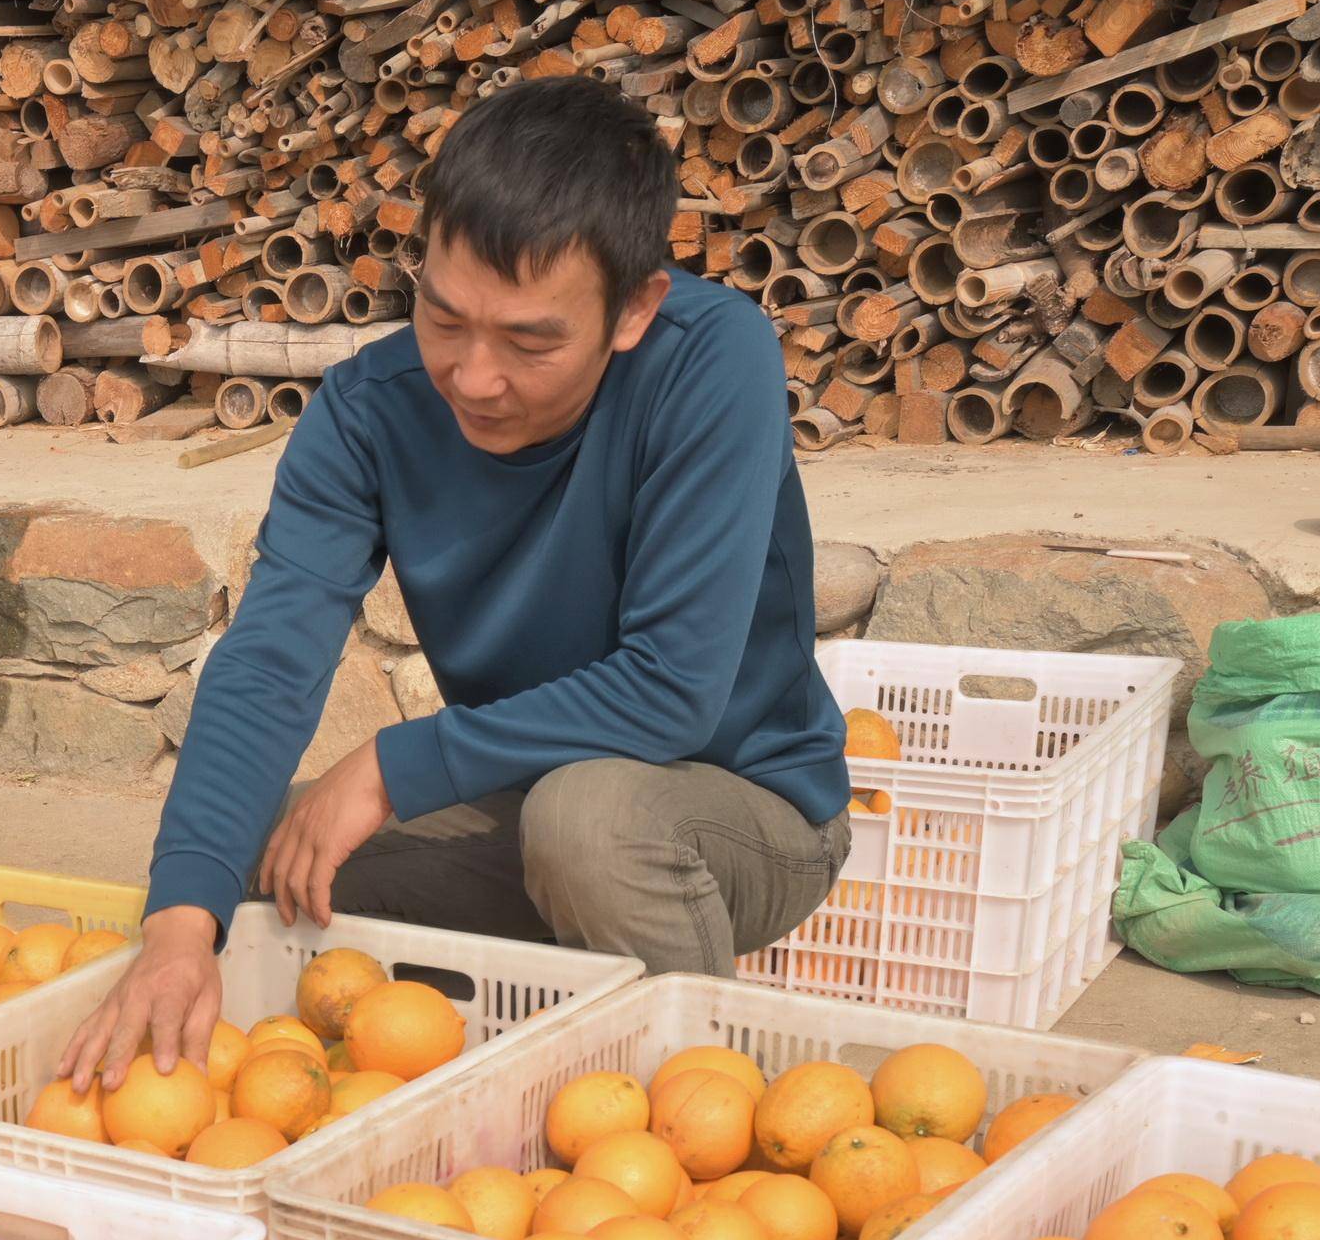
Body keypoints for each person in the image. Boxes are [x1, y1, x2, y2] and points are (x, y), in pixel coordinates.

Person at [62, 73, 854, 1084]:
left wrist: (396, 765)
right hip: (519, 799)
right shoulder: (364, 414)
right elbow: (267, 659)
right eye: (442, 320)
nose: (474, 378)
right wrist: (178, 926)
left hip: (743, 808)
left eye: (530, 341)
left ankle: (690, 1113)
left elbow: (671, 689)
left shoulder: (711, 361)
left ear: (632, 309)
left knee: (589, 823)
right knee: (245, 853)